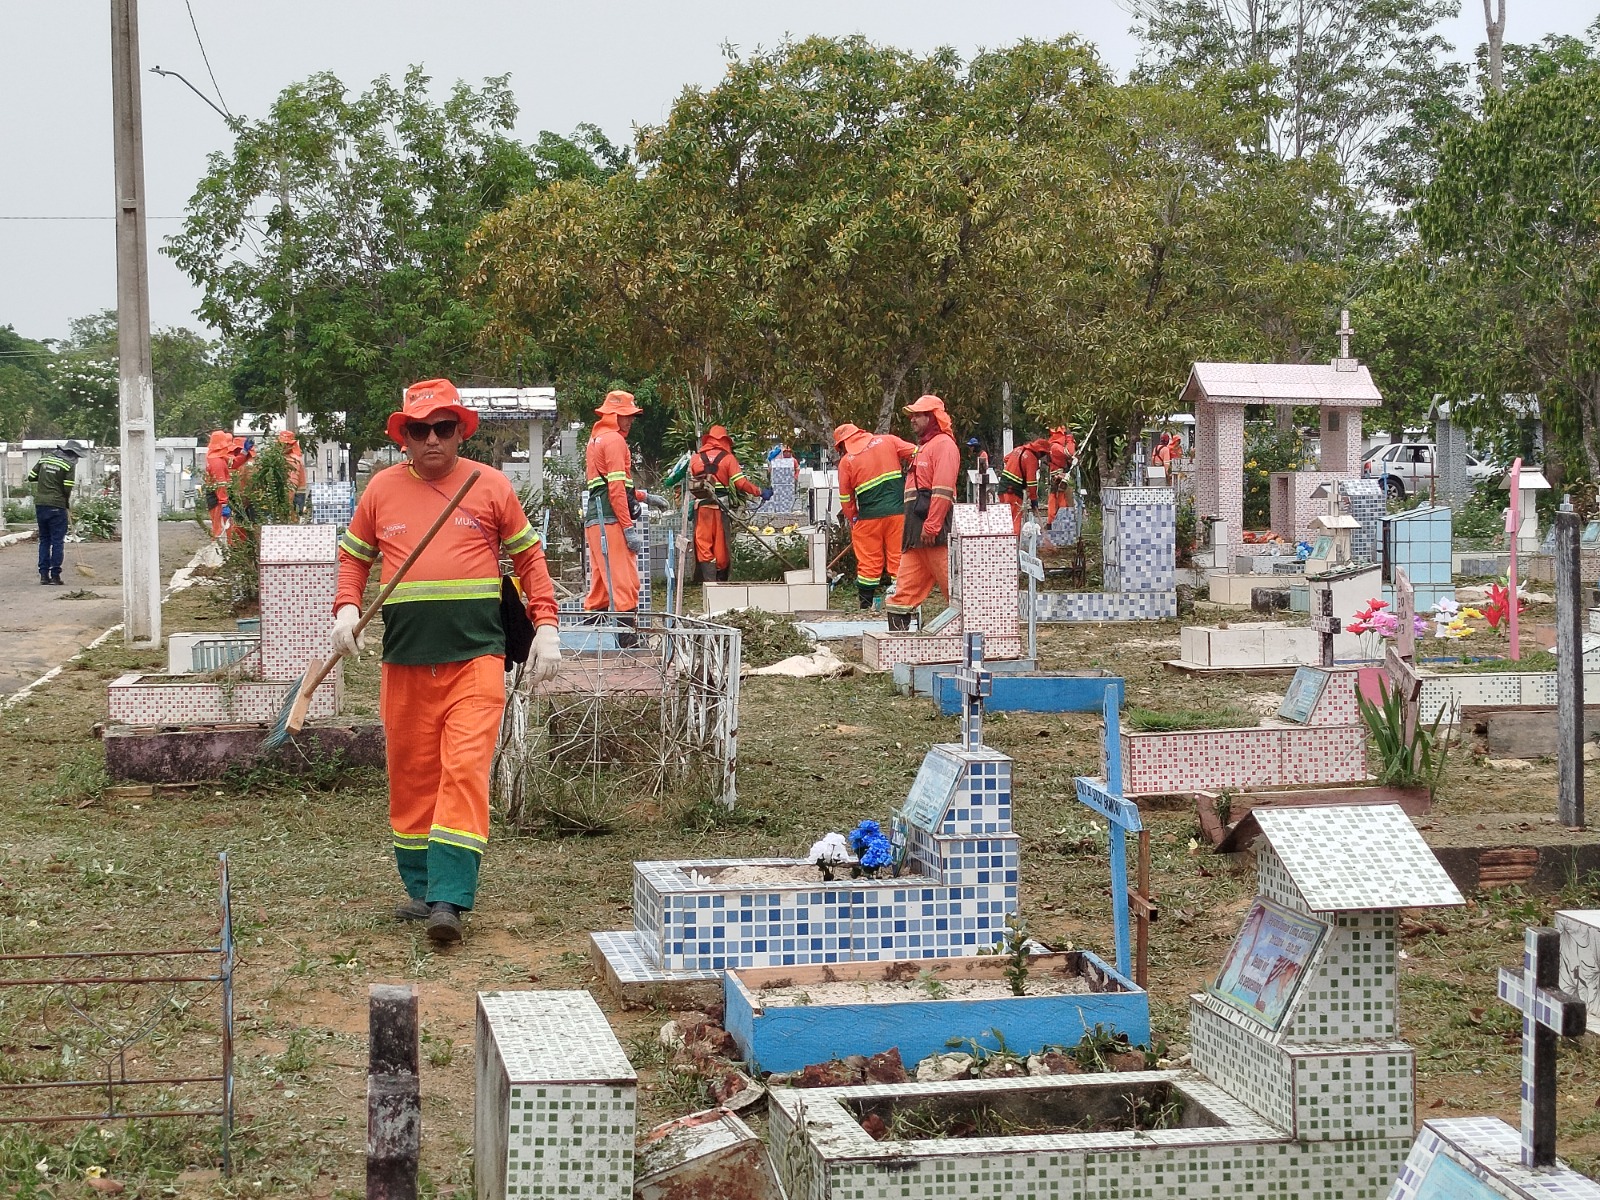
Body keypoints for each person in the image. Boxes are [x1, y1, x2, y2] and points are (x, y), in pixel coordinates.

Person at [332, 378, 562, 945]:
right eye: (419, 430)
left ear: (460, 431)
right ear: (404, 437)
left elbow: (530, 560)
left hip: (476, 659)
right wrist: (346, 608)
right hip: (405, 661)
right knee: (412, 778)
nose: (431, 439)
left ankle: (449, 898)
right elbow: (354, 558)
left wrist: (548, 626)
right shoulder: (380, 491)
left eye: (442, 427)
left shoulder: (491, 487)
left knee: (463, 771)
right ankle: (422, 888)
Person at [885, 395, 959, 630]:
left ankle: (976, 638)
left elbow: (943, 489)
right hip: (916, 533)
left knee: (955, 590)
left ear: (933, 417)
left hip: (932, 532)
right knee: (902, 595)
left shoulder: (944, 445)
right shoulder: (925, 447)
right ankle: (897, 645)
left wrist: (932, 525)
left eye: (918, 415)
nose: (912, 419)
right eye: (912, 415)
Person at [834, 422, 915, 608]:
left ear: (843, 444)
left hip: (868, 518)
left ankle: (865, 607)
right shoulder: (889, 441)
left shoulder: (846, 462)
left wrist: (853, 518)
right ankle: (901, 605)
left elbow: (846, 498)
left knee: (868, 564)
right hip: (898, 514)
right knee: (898, 559)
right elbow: (918, 453)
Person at [583, 390, 645, 616]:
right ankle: (628, 636)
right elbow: (616, 489)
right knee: (624, 584)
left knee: (601, 586)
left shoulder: (596, 440)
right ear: (613, 416)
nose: (630, 421)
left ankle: (593, 635)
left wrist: (644, 497)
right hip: (610, 521)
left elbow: (606, 485)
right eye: (626, 415)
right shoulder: (615, 441)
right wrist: (628, 528)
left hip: (596, 520)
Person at [688, 425, 765, 582]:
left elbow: (692, 483)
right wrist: (760, 492)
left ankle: (709, 582)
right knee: (721, 546)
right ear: (724, 441)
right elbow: (741, 483)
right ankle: (720, 580)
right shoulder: (728, 459)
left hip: (701, 509)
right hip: (720, 508)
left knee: (703, 544)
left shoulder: (696, 458)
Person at [27, 441, 81, 585]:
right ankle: (55, 576)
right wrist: (66, 502)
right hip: (57, 505)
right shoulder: (69, 465)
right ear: (71, 453)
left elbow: (31, 476)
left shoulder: (44, 458)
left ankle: (44, 575)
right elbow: (67, 487)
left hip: (41, 504)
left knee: (44, 540)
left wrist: (46, 478)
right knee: (57, 541)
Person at [998, 434, 1056, 536]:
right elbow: (1031, 482)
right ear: (1040, 452)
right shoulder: (1032, 459)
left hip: (1002, 487)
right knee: (1015, 519)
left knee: (1005, 518)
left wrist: (1016, 468)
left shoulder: (1018, 449)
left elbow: (1006, 459)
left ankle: (1003, 541)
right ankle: (1014, 543)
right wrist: (1034, 500)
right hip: (1014, 491)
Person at [202, 430, 234, 538]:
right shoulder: (217, 461)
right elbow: (221, 483)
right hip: (218, 498)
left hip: (215, 495)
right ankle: (219, 546)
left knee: (219, 526)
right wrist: (224, 503)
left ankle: (220, 545)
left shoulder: (212, 457)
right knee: (221, 527)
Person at [278, 430, 308, 517]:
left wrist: (288, 501)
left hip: (295, 495)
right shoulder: (288, 457)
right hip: (296, 493)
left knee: (292, 519)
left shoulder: (292, 459)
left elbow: (292, 481)